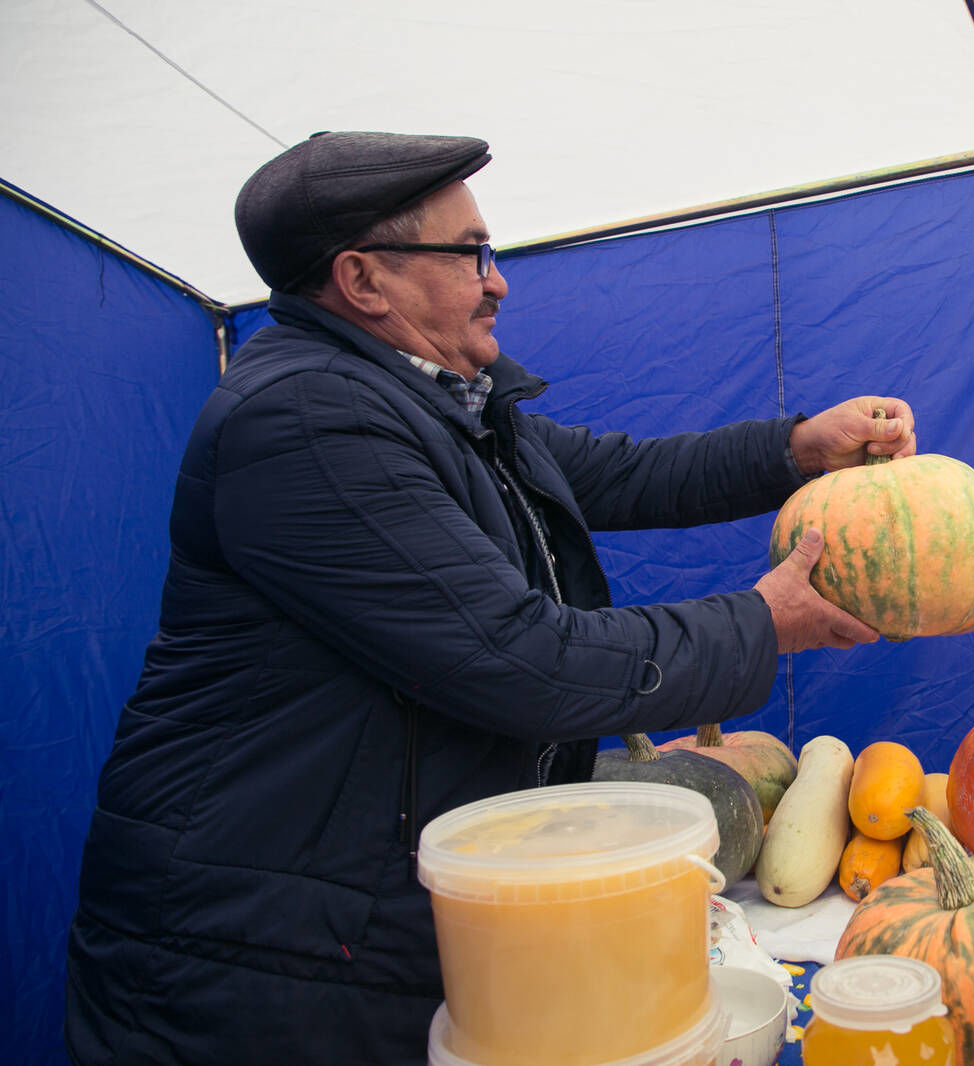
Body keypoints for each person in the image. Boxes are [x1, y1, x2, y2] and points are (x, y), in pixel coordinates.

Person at [62, 131, 916, 1064]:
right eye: (469, 252)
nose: (497, 279)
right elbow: (520, 658)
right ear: (363, 281)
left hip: (337, 923)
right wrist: (761, 624)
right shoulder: (308, 420)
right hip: (253, 956)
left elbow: (624, 474)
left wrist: (798, 450)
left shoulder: (435, 402)